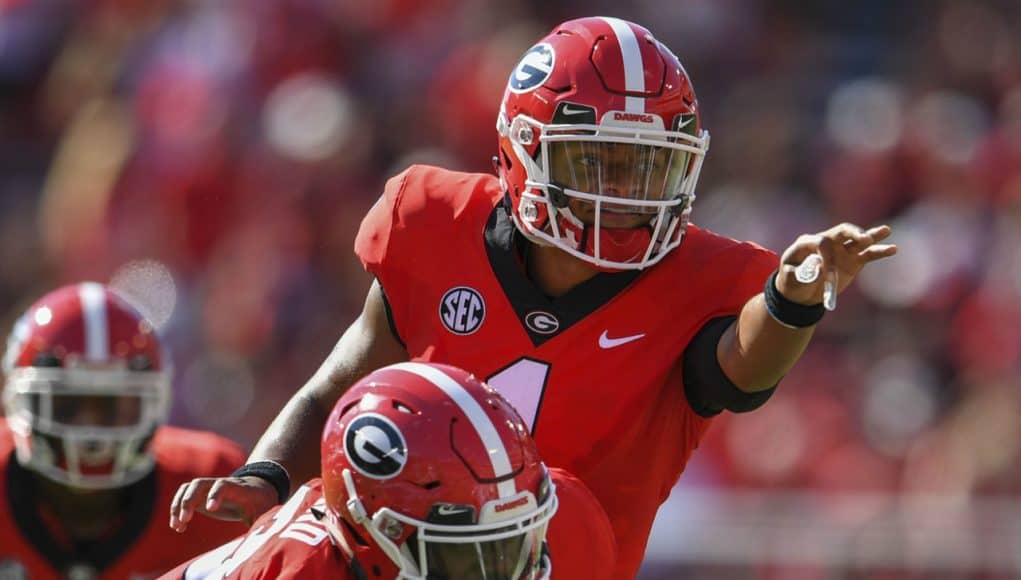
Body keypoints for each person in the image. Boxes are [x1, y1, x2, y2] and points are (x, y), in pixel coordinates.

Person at [169, 16, 897, 578]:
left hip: (558, 557)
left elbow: (736, 371)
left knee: (563, 514)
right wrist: (266, 475)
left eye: (646, 169)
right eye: (597, 163)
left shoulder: (702, 278)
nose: (619, 195)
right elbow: (341, 384)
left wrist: (792, 300)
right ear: (523, 147)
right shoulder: (431, 221)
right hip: (389, 551)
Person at [160, 362, 616, 579]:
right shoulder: (296, 572)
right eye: (465, 556)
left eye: (517, 543)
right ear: (373, 535)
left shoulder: (569, 521)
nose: (503, 573)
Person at [0, 283, 248, 579]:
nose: (89, 429)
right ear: (17, 400)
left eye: (111, 405)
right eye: (66, 404)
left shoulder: (213, 482)